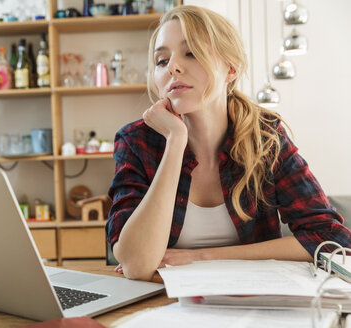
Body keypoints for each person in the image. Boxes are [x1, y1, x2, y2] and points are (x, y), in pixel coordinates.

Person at [106, 5, 351, 281]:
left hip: (252, 298)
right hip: (164, 301)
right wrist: (175, 141)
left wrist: (202, 257)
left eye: (191, 53)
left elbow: (330, 238)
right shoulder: (137, 141)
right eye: (161, 61)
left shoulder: (265, 136)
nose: (172, 67)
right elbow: (136, 266)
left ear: (231, 68)